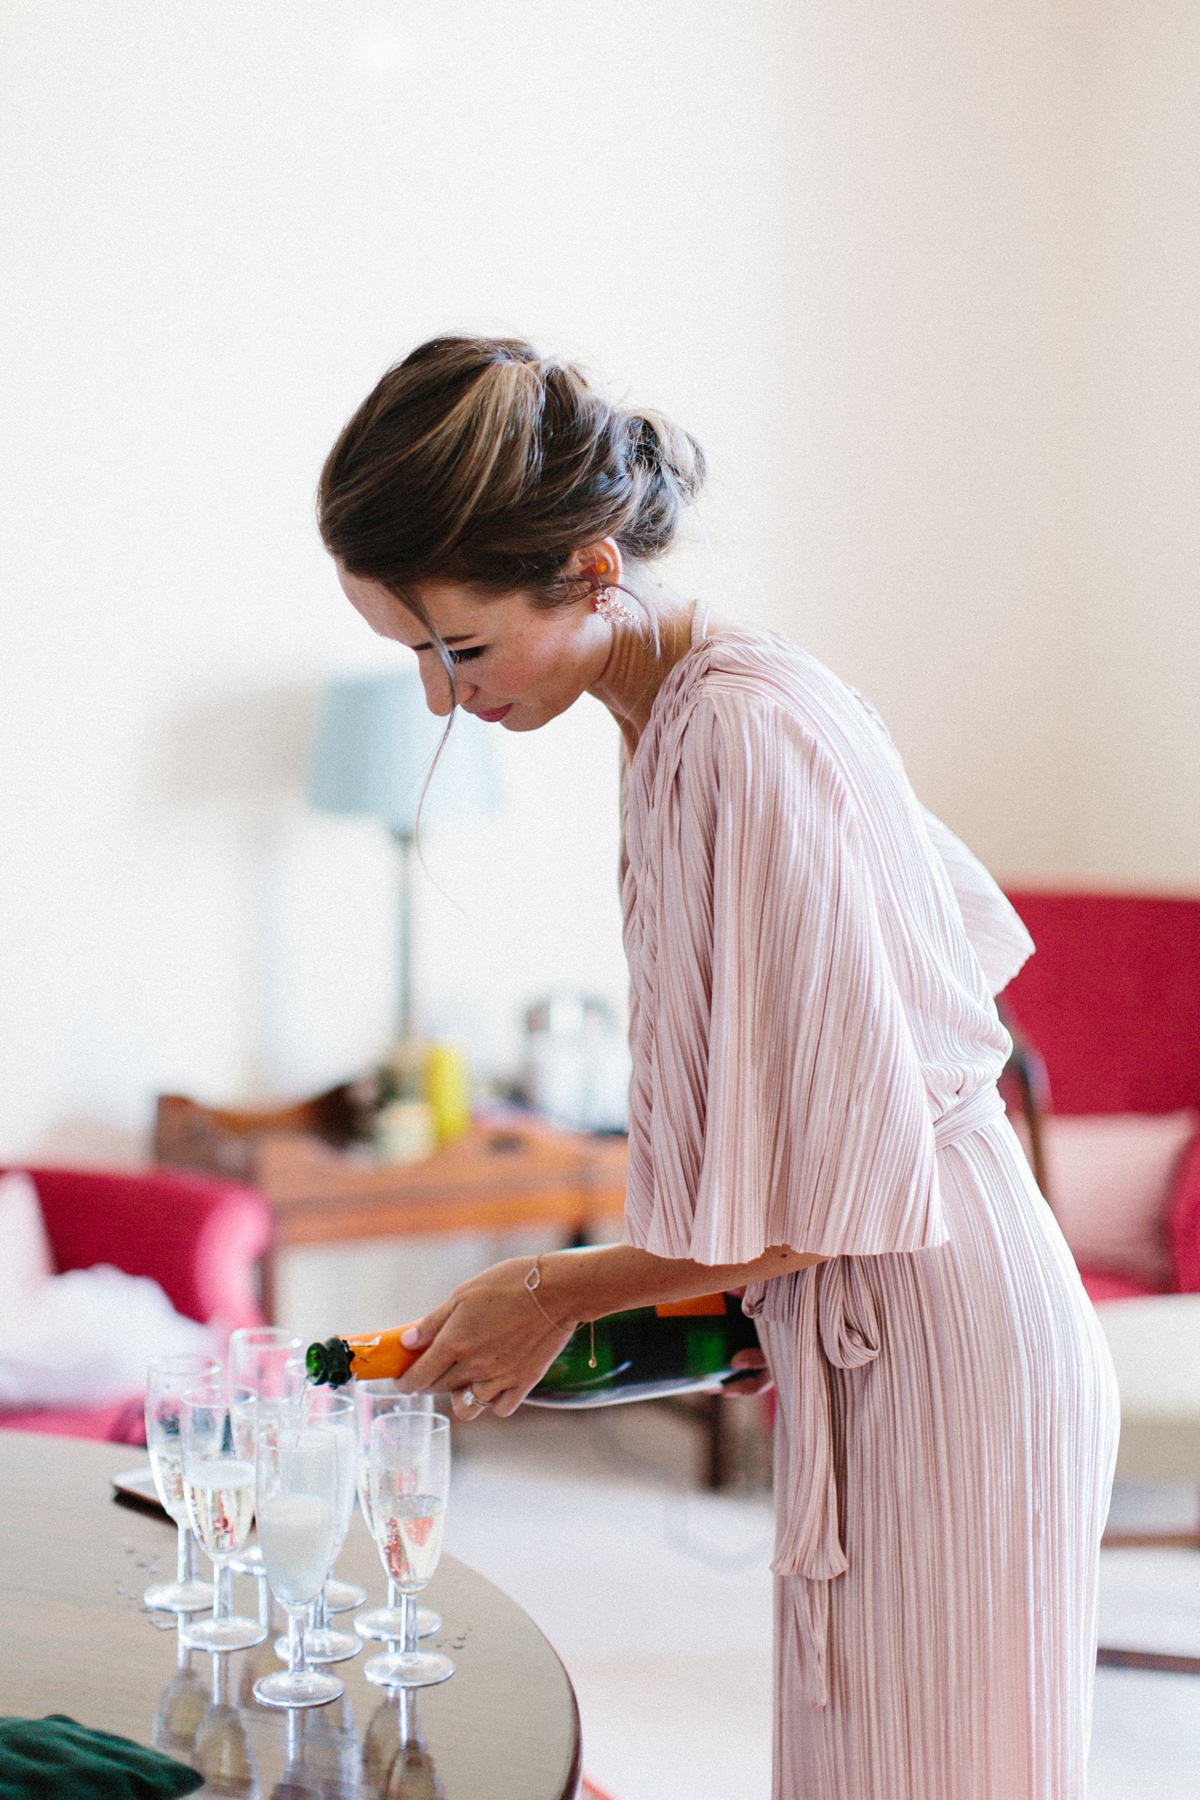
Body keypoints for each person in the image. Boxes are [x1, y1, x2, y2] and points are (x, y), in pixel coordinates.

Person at [317, 335, 1119, 1799]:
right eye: (414, 657)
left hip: (944, 1327)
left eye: (461, 647)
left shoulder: (745, 729)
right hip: (884, 1316)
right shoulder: (675, 717)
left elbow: (852, 1163)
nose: (442, 699)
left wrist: (549, 1286)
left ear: (589, 565)